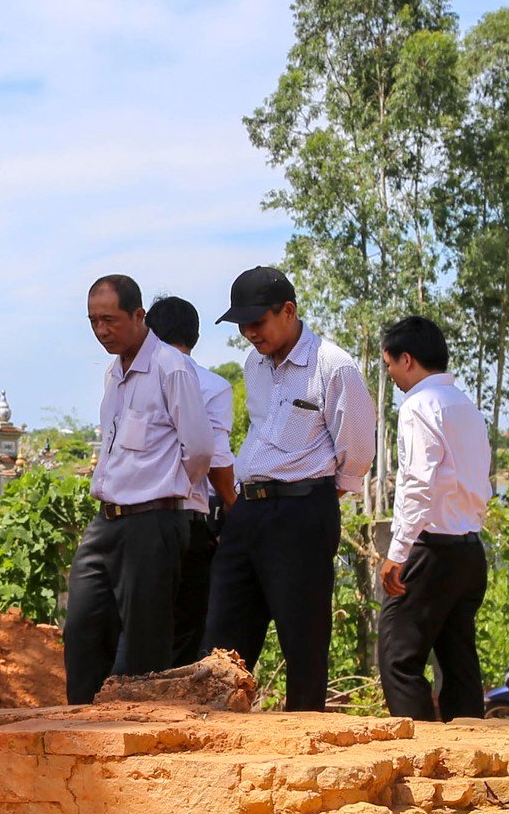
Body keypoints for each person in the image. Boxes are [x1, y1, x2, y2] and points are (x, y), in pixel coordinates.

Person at [205, 265, 374, 712]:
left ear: (288, 311)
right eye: (241, 324)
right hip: (247, 512)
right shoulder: (254, 366)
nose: (248, 333)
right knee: (221, 643)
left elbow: (356, 452)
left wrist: (312, 502)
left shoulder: (333, 366)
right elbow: (263, 431)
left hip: (302, 511)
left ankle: (305, 752)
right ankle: (214, 740)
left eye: (257, 322)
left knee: (303, 643)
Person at [62, 276, 215, 705]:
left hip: (153, 520)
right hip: (106, 520)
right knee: (83, 630)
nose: (101, 331)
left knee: (147, 643)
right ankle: (79, 732)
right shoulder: (114, 373)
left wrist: (168, 493)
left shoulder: (171, 367)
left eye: (109, 320)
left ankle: (141, 744)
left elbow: (200, 449)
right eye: (93, 322)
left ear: (138, 315)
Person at [376, 314, 493, 720]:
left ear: (406, 359)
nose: (389, 373)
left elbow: (417, 484)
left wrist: (398, 552)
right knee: (458, 660)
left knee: (397, 658)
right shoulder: (467, 407)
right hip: (469, 551)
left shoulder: (418, 406)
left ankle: (419, 755)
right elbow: (481, 483)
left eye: (389, 363)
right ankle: (468, 753)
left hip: (431, 551)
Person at [146, 295, 237, 667]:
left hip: (137, 516)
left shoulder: (131, 376)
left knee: (141, 619)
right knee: (186, 624)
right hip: (192, 515)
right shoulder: (212, 385)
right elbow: (214, 454)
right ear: (195, 336)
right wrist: (233, 503)